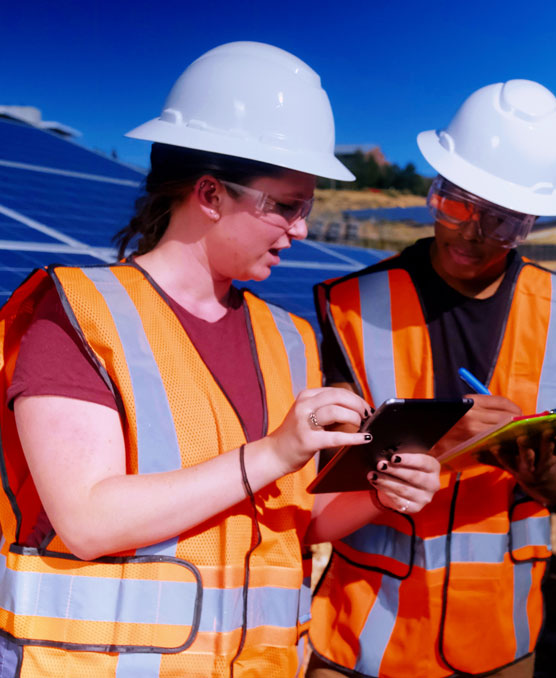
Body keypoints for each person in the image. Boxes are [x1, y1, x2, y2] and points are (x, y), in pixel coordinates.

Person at [0, 42, 440, 677]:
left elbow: (296, 519)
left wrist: (382, 494)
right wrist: (276, 451)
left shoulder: (286, 338)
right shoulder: (77, 312)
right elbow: (88, 519)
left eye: (307, 208)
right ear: (209, 193)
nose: (303, 230)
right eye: (286, 206)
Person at [309, 80, 556, 678]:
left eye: (503, 222)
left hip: (500, 636)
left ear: (533, 221)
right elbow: (322, 485)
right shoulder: (352, 306)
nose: (473, 233)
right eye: (460, 206)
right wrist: (442, 444)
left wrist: (542, 469)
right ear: (434, 190)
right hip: (365, 631)